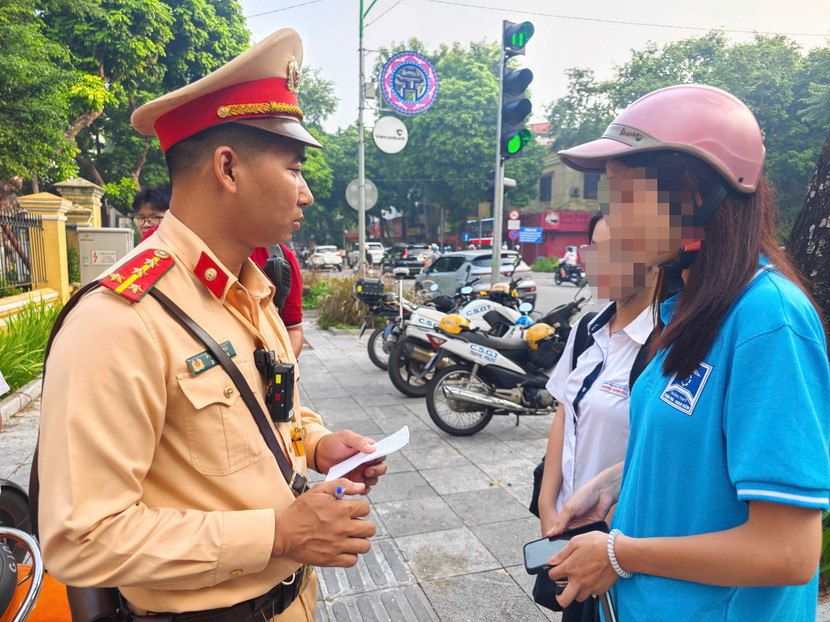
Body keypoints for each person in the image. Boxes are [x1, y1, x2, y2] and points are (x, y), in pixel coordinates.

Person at [36, 28, 387, 622]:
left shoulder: (251, 288)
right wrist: (276, 535)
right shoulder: (120, 320)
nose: (305, 194)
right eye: (295, 168)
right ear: (227, 168)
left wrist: (320, 442)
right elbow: (81, 538)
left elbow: (266, 402)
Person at [543, 84, 829, 621]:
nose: (617, 219)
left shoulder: (768, 322)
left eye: (628, 197)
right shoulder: (685, 309)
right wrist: (614, 482)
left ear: (695, 196)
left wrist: (617, 555)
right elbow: (705, 453)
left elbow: (788, 552)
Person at [537, 212, 657, 621]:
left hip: (621, 540)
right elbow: (562, 414)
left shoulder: (666, 344)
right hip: (572, 526)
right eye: (595, 250)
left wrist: (605, 534)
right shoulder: (588, 328)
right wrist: (547, 503)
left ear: (655, 257)